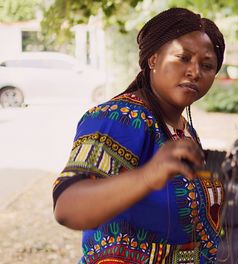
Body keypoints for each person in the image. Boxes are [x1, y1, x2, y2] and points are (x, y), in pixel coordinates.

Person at [52, 7, 225, 264]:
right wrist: (147, 176)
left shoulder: (181, 128)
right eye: (183, 58)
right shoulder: (119, 117)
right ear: (153, 60)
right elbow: (67, 207)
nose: (195, 71)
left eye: (207, 65)